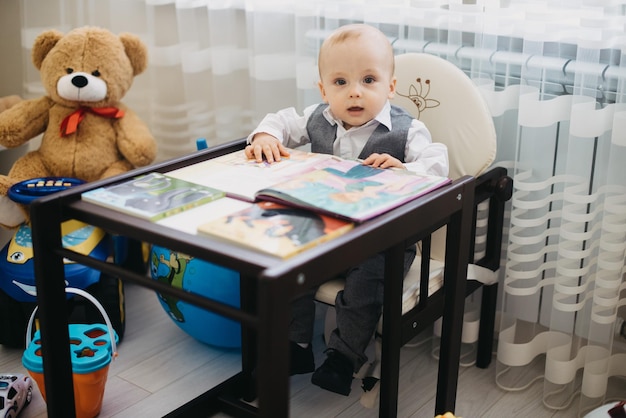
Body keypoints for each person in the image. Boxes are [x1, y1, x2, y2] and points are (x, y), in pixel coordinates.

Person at [244, 23, 449, 396]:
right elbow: (281, 121)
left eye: (368, 79)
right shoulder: (319, 117)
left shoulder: (407, 130)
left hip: (381, 242)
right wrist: (266, 136)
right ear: (323, 90)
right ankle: (296, 346)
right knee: (290, 262)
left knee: (366, 285)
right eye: (340, 82)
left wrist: (406, 169)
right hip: (326, 233)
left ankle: (344, 356)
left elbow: (438, 163)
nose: (355, 91)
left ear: (390, 86)